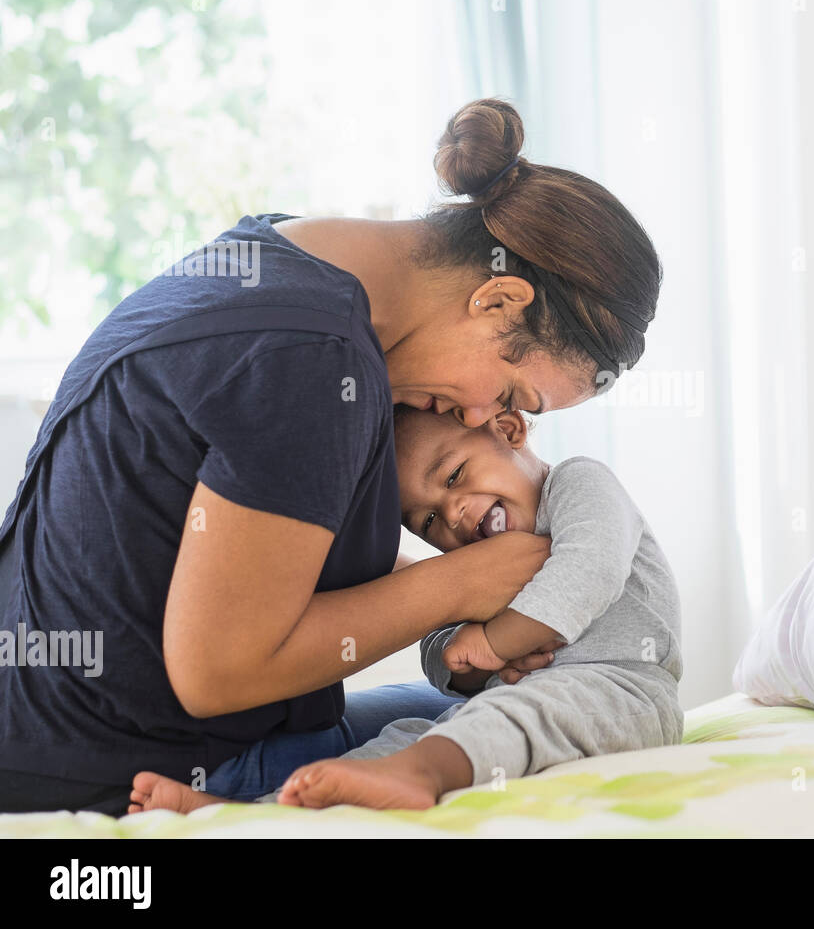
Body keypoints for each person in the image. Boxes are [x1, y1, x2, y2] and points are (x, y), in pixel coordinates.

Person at [0, 98, 662, 815]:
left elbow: (256, 559)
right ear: (497, 299)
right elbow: (216, 671)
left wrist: (477, 598)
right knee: (536, 736)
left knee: (481, 715)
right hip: (114, 767)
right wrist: (461, 585)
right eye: (509, 393)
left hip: (36, 724)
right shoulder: (314, 363)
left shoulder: (282, 253)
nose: (480, 419)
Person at [128, 405, 682, 813]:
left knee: (513, 716)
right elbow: (442, 651)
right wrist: (471, 663)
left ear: (509, 431)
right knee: (405, 734)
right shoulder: (480, 566)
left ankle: (415, 778)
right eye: (427, 523)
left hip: (621, 689)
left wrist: (496, 641)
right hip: (516, 698)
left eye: (455, 476)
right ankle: (256, 816)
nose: (454, 513)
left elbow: (592, 567)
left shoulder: (577, 484)